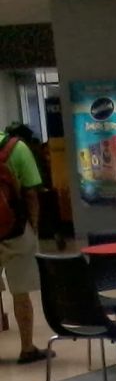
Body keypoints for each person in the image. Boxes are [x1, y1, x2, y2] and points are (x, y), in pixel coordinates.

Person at [0, 126, 53, 364]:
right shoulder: (17, 148)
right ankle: (27, 348)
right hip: (16, 231)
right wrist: (33, 226)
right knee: (21, 293)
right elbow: (31, 193)